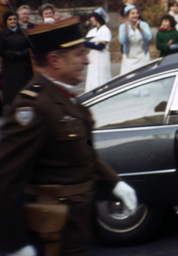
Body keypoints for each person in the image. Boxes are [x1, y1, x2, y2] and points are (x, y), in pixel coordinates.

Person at [0, 17, 137, 256]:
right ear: (55, 60)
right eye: (79, 54)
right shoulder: (32, 106)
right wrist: (14, 245)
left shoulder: (66, 98)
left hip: (75, 227)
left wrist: (114, 183)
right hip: (51, 235)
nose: (86, 60)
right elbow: (6, 179)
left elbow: (81, 156)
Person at [0, 11, 32, 110]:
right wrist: (14, 54)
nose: (13, 21)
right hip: (10, 67)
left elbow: (30, 45)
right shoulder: (2, 34)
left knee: (25, 91)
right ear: (6, 22)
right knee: (13, 93)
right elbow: (1, 51)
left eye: (14, 19)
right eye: (10, 19)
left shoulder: (23, 32)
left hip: (24, 66)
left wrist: (26, 52)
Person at [84, 8, 112, 92]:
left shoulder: (105, 30)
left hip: (102, 58)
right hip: (93, 58)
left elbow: (100, 46)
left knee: (102, 77)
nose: (91, 19)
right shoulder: (92, 31)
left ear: (98, 17)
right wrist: (94, 43)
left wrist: (92, 44)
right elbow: (84, 43)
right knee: (92, 78)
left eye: (93, 17)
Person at [119, 5, 152, 75]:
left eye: (137, 13)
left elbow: (149, 38)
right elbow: (122, 41)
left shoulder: (144, 25)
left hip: (142, 57)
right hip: (129, 59)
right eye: (132, 13)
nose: (135, 15)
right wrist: (126, 28)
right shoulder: (122, 26)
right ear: (127, 15)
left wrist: (140, 28)